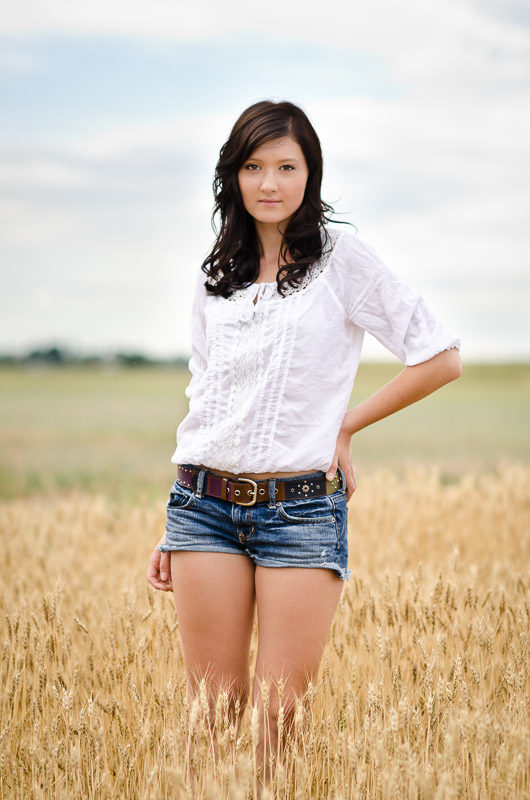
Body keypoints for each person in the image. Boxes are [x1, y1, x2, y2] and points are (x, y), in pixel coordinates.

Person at [146, 99, 462, 789]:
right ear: (232, 176)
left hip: (300, 515)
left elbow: (439, 356)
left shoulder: (341, 260)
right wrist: (173, 517)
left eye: (286, 167)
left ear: (309, 174)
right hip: (201, 505)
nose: (269, 183)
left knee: (277, 728)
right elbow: (207, 395)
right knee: (208, 720)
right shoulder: (216, 273)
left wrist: (345, 425)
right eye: (253, 167)